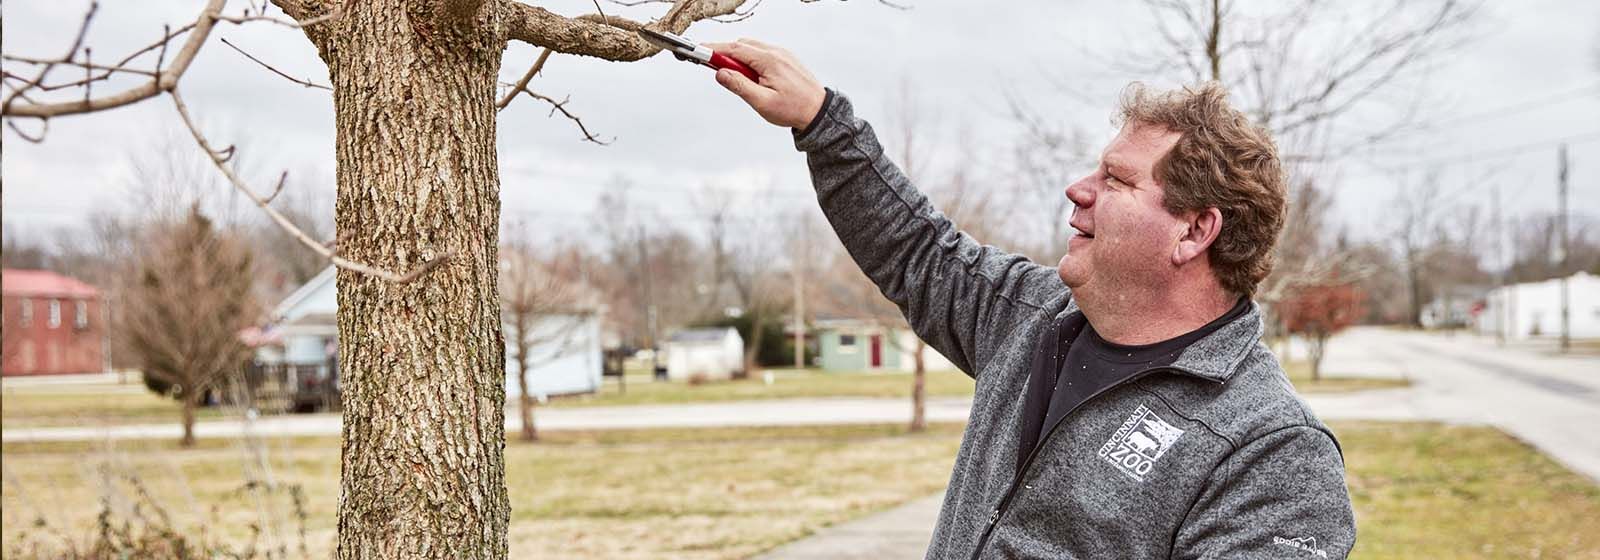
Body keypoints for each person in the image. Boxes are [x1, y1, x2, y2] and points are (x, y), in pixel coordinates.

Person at [707, 38, 1357, 559]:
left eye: (1116, 180)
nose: (1078, 189)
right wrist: (822, 122)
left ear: (1194, 230)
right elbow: (917, 251)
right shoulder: (1031, 316)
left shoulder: (1273, 455)